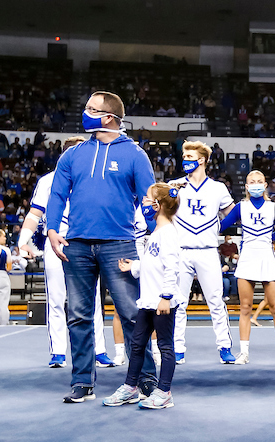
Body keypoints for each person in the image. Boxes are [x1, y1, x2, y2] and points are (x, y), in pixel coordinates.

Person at [45, 91, 155, 404]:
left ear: (108, 117)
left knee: (133, 314)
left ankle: (146, 380)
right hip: (76, 244)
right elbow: (56, 195)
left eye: (91, 109)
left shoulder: (134, 154)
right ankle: (82, 383)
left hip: (119, 244)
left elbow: (149, 198)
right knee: (78, 315)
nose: (84, 112)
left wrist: (155, 235)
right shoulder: (73, 154)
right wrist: (52, 229)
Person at [19, 136, 116, 369]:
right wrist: (23, 240)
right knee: (56, 299)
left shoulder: (97, 178)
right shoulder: (49, 181)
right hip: (56, 241)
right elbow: (35, 213)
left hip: (88, 241)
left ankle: (99, 350)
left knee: (92, 299)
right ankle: (58, 352)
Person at [105, 184, 184, 410]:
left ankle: (164, 391)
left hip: (161, 301)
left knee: (165, 347)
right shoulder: (157, 233)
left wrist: (166, 296)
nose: (145, 202)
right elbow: (154, 264)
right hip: (148, 300)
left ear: (157, 206)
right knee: (137, 344)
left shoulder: (168, 233)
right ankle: (131, 387)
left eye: (148, 199)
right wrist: (135, 266)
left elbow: (172, 268)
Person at [168, 141, 236, 364]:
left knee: (216, 301)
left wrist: (217, 227)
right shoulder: (175, 185)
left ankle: (225, 346)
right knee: (177, 303)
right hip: (180, 251)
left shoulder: (218, 188)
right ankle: (177, 347)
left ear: (202, 160)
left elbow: (232, 213)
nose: (185, 160)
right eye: (184, 156)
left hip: (207, 251)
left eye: (189, 156)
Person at [219, 170, 275, 363]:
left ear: (265, 185)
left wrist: (270, 237)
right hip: (247, 259)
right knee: (245, 308)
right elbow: (221, 225)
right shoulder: (241, 207)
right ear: (247, 186)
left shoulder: (273, 208)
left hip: (267, 258)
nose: (256, 184)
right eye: (252, 182)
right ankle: (244, 353)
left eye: (260, 181)